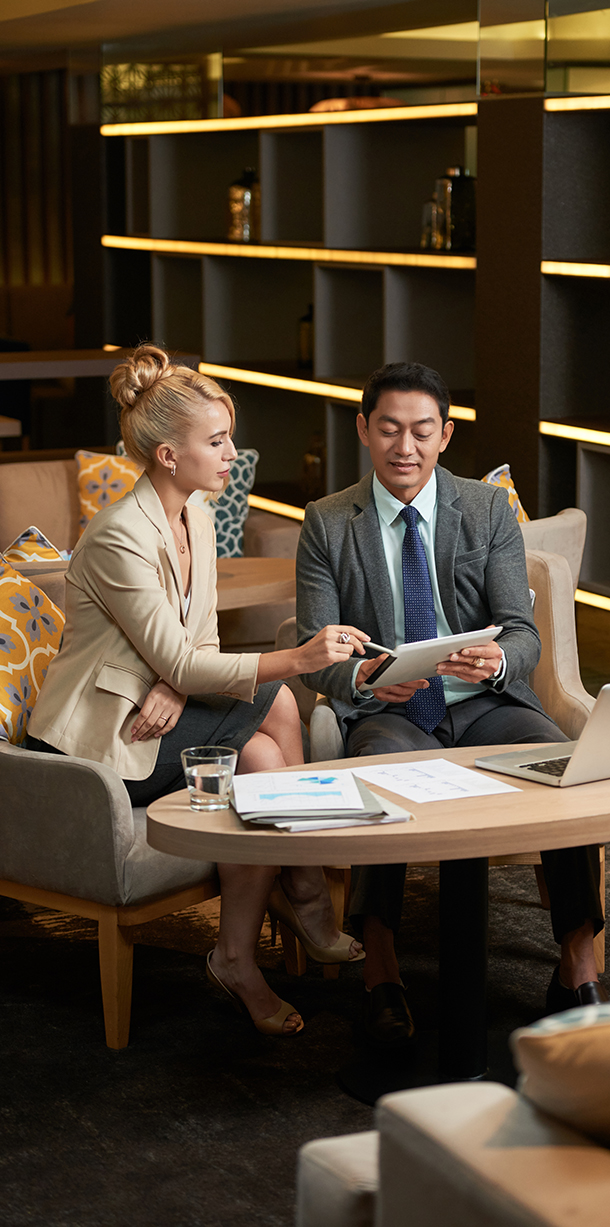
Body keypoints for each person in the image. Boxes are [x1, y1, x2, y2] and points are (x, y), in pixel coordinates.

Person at [27, 344, 370, 1037]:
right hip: (100, 742)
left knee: (263, 759)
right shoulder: (119, 536)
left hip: (156, 711)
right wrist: (294, 658)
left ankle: (235, 957)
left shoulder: (198, 515)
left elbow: (198, 645)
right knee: (279, 696)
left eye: (228, 437)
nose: (232, 453)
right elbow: (185, 660)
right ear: (167, 456)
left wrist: (178, 686)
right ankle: (303, 889)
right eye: (216, 441)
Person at [296, 361, 606, 1047]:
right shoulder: (327, 521)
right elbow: (312, 650)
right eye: (389, 429)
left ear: (445, 434)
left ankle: (576, 961)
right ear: (363, 430)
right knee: (378, 778)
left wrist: (499, 659)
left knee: (563, 763)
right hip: (389, 711)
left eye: (421, 431)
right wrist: (364, 678)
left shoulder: (486, 508)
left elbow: (520, 630)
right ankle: (381, 970)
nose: (404, 447)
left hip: (485, 703)